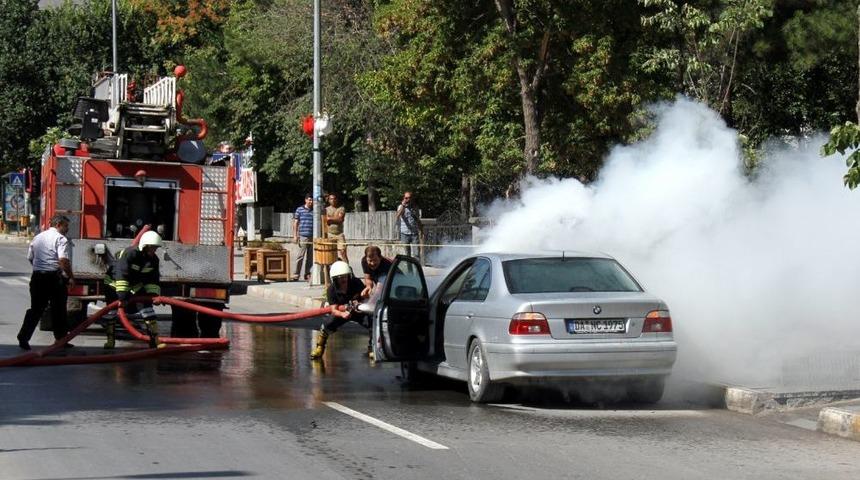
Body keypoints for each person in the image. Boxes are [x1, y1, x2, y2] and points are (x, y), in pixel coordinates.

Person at [17, 214, 75, 350]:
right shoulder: (61, 239)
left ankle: (23, 337)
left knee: (36, 309)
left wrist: (40, 269)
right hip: (53, 278)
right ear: (59, 225)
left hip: (37, 278)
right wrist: (71, 276)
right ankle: (61, 339)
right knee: (59, 309)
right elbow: (63, 261)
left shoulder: (38, 237)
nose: (67, 229)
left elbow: (30, 257)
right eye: (66, 226)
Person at [102, 231, 164, 349]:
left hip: (135, 285)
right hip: (114, 284)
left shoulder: (154, 260)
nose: (154, 251)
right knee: (112, 313)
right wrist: (122, 297)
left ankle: (155, 341)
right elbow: (121, 275)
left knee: (147, 308)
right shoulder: (130, 254)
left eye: (156, 248)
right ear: (145, 246)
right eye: (152, 248)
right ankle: (110, 341)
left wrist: (153, 295)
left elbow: (153, 279)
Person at [310, 261, 371, 360]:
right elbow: (334, 310)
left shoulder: (356, 283)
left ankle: (372, 348)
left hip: (357, 311)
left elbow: (365, 296)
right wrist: (342, 314)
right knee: (328, 324)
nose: (343, 279)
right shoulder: (331, 290)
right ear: (335, 279)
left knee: (372, 322)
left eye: (345, 276)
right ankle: (320, 347)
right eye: (340, 277)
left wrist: (363, 298)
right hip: (342, 313)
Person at [394, 191, 423, 258]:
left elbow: (418, 219)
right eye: (406, 198)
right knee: (407, 255)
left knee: (417, 254)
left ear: (412, 198)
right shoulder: (401, 207)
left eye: (409, 198)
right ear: (404, 198)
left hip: (414, 233)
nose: (408, 199)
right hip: (404, 233)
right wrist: (403, 206)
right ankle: (409, 268)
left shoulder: (415, 207)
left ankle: (416, 268)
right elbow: (398, 215)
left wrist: (421, 230)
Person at [292, 194, 314, 281]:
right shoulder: (299, 209)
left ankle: (307, 274)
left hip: (312, 236)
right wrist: (295, 235)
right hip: (303, 236)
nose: (311, 202)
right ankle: (296, 274)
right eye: (309, 200)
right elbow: (296, 223)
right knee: (300, 256)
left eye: (312, 200)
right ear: (305, 200)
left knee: (310, 257)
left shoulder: (314, 211)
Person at [325, 193, 348, 263]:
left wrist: (330, 219)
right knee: (330, 254)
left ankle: (347, 269)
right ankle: (331, 270)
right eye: (331, 199)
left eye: (334, 199)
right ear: (328, 200)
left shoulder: (341, 208)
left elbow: (340, 219)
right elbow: (326, 220)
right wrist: (335, 218)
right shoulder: (326, 209)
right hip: (329, 234)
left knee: (343, 252)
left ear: (337, 200)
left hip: (339, 234)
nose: (333, 200)